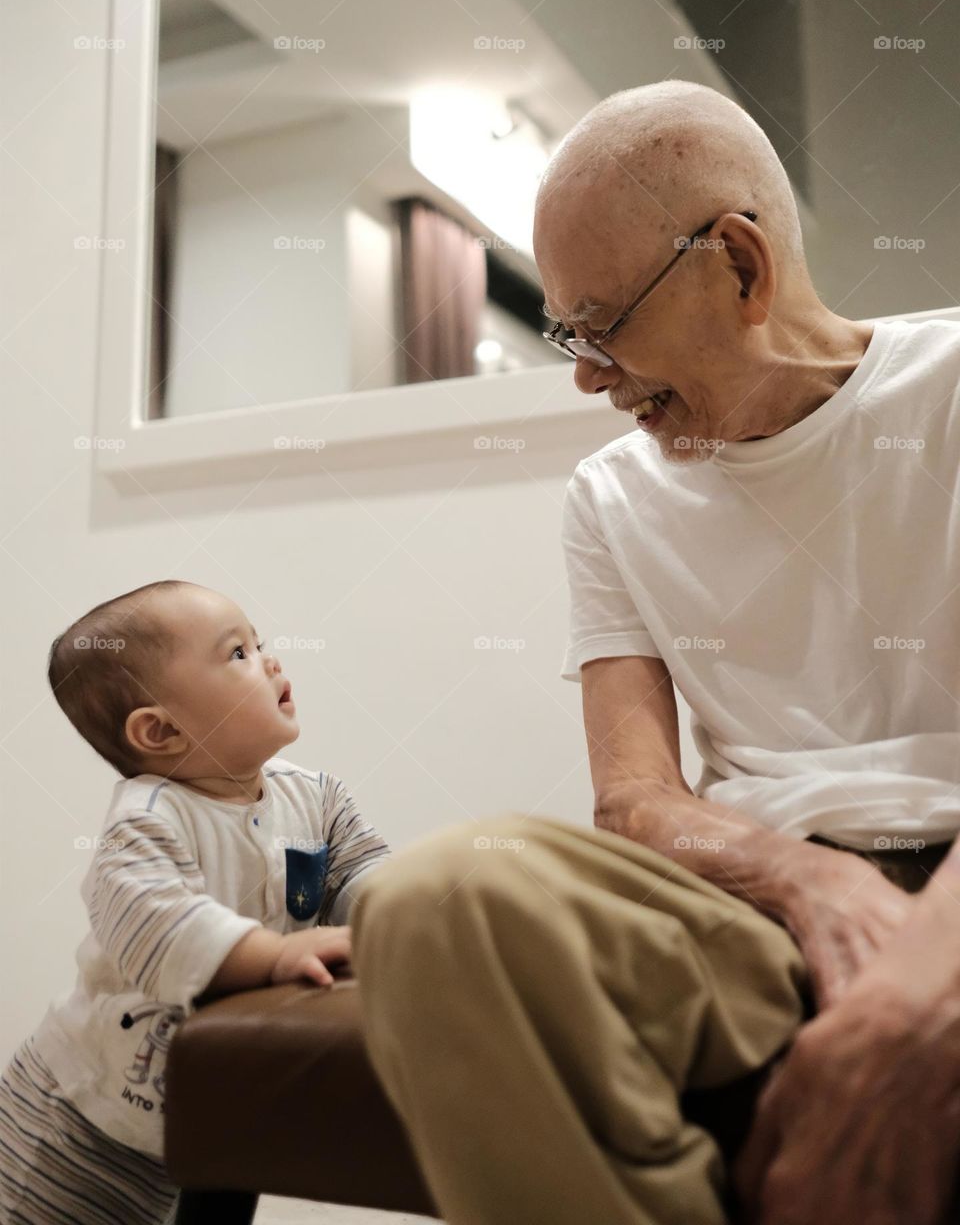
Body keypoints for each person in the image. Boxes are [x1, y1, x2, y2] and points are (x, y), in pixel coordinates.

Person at [351, 80, 960, 1225]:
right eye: (564, 332)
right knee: (432, 898)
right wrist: (809, 876)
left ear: (740, 265)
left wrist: (930, 968)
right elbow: (633, 800)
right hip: (756, 894)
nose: (585, 373)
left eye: (604, 322)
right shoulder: (610, 495)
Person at [0, 579, 389, 1224]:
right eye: (237, 654)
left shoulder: (315, 798)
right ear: (161, 731)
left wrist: (407, 921)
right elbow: (159, 925)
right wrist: (274, 955)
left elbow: (366, 874)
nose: (269, 659)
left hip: (222, 1104)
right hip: (85, 1121)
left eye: (259, 642)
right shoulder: (146, 821)